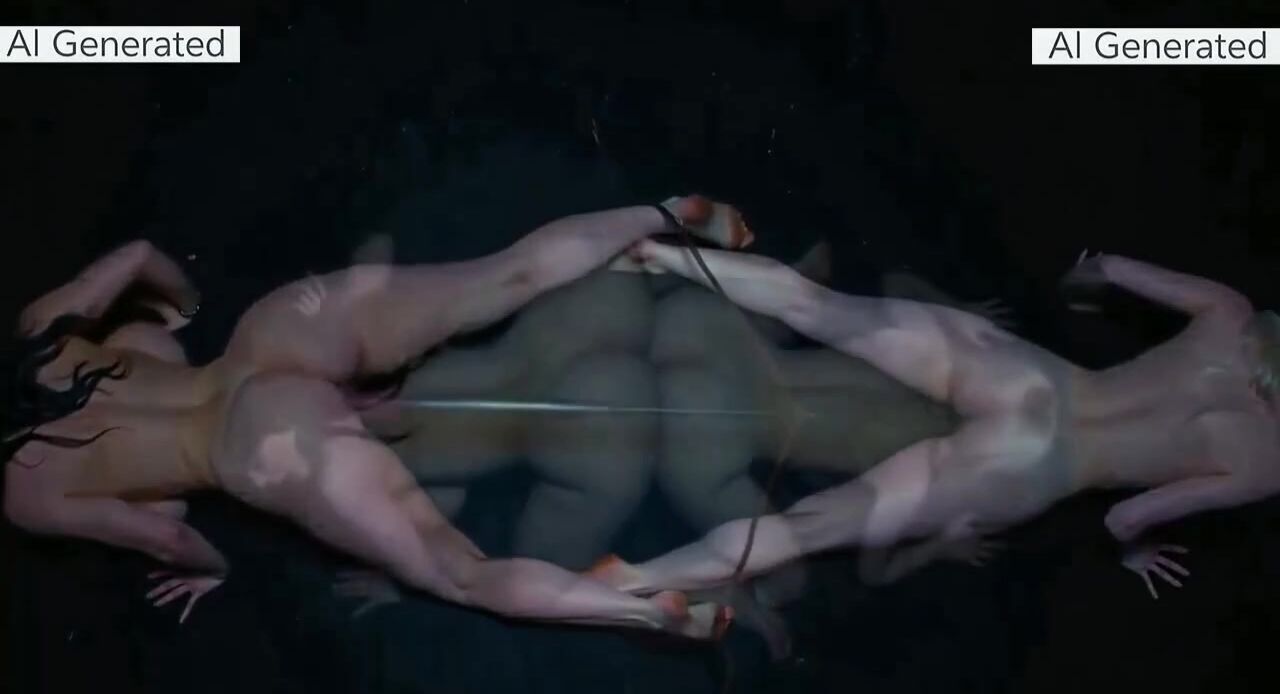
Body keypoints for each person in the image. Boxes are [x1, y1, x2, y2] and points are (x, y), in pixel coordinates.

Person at [2, 196, 748, 634]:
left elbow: (164, 532)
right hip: (265, 340)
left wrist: (211, 571)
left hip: (256, 442)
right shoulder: (37, 332)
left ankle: (651, 615)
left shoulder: (24, 491)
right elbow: (138, 256)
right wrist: (187, 308)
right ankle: (665, 213)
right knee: (502, 275)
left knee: (461, 573)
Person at [591, 240, 1280, 600]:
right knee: (807, 528)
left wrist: (1079, 291)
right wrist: (1136, 557)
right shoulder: (1264, 466)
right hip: (1034, 470)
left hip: (1033, 381)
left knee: (813, 304)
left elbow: (1110, 268)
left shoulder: (1232, 317)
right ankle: (634, 581)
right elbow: (1124, 520)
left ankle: (661, 254)